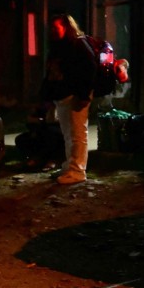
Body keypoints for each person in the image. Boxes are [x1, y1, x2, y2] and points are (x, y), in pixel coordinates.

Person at [39, 13, 97, 184]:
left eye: (56, 28)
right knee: (68, 134)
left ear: (67, 27)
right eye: (52, 28)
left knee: (78, 133)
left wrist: (84, 95)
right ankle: (69, 167)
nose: (53, 31)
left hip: (76, 95)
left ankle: (78, 171)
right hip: (63, 95)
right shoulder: (59, 46)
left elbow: (90, 68)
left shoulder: (78, 44)